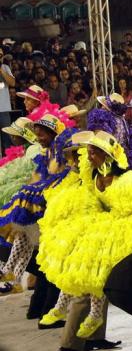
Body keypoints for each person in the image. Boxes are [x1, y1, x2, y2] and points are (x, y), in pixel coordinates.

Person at [37, 130, 132, 339]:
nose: (89, 157)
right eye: (88, 152)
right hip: (103, 223)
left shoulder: (128, 180)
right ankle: (63, 306)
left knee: (99, 268)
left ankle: (94, 314)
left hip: (126, 227)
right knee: (79, 259)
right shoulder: (92, 175)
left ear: (107, 156)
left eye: (94, 153)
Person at [0, 115, 75, 294]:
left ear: (52, 133)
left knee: (25, 233)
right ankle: (12, 276)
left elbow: (63, 177)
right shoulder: (46, 152)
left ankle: (11, 274)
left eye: (42, 135)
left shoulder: (62, 152)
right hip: (43, 203)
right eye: (37, 135)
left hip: (58, 204)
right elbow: (39, 177)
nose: (39, 138)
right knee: (24, 234)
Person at [88, 93, 132, 172]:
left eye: (103, 105)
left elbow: (99, 137)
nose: (102, 107)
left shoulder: (103, 117)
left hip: (109, 155)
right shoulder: (122, 119)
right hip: (123, 155)